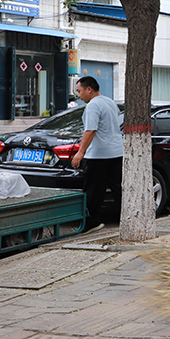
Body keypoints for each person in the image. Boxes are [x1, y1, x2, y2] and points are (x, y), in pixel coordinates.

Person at [71, 76, 123, 233]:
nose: (78, 96)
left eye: (79, 91)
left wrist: (80, 152)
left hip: (99, 155)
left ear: (89, 89)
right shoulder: (110, 102)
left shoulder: (93, 105)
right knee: (118, 189)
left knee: (94, 190)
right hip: (116, 151)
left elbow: (90, 130)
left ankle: (93, 222)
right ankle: (128, 218)